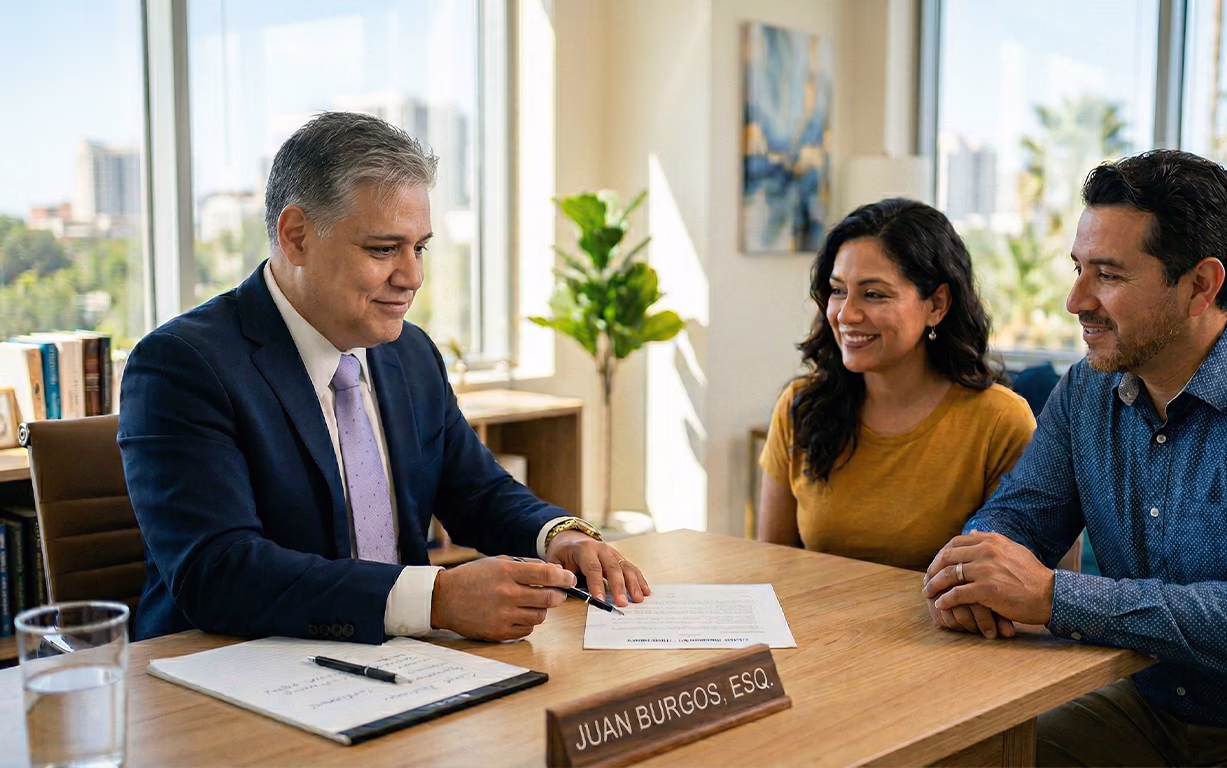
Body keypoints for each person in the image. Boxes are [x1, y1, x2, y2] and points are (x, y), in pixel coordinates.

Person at [119, 112, 648, 645]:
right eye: (382, 249)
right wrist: (434, 599)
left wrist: (558, 537)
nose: (413, 276)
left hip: (402, 663)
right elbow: (218, 572)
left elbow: (477, 492)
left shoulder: (410, 352)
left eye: (419, 247)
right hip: (224, 671)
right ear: (296, 236)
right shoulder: (181, 365)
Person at [921, 150, 1227, 765]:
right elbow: (1016, 523)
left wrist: (1055, 597)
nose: (1075, 301)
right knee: (957, 757)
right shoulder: (1086, 391)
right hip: (1143, 707)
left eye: (1108, 275)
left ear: (1200, 286)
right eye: (1077, 268)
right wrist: (973, 573)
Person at [758, 199, 1035, 574]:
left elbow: (1016, 585)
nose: (846, 314)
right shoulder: (800, 406)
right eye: (838, 290)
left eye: (874, 294)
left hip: (941, 632)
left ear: (937, 304)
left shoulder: (1000, 421)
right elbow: (773, 569)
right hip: (815, 630)